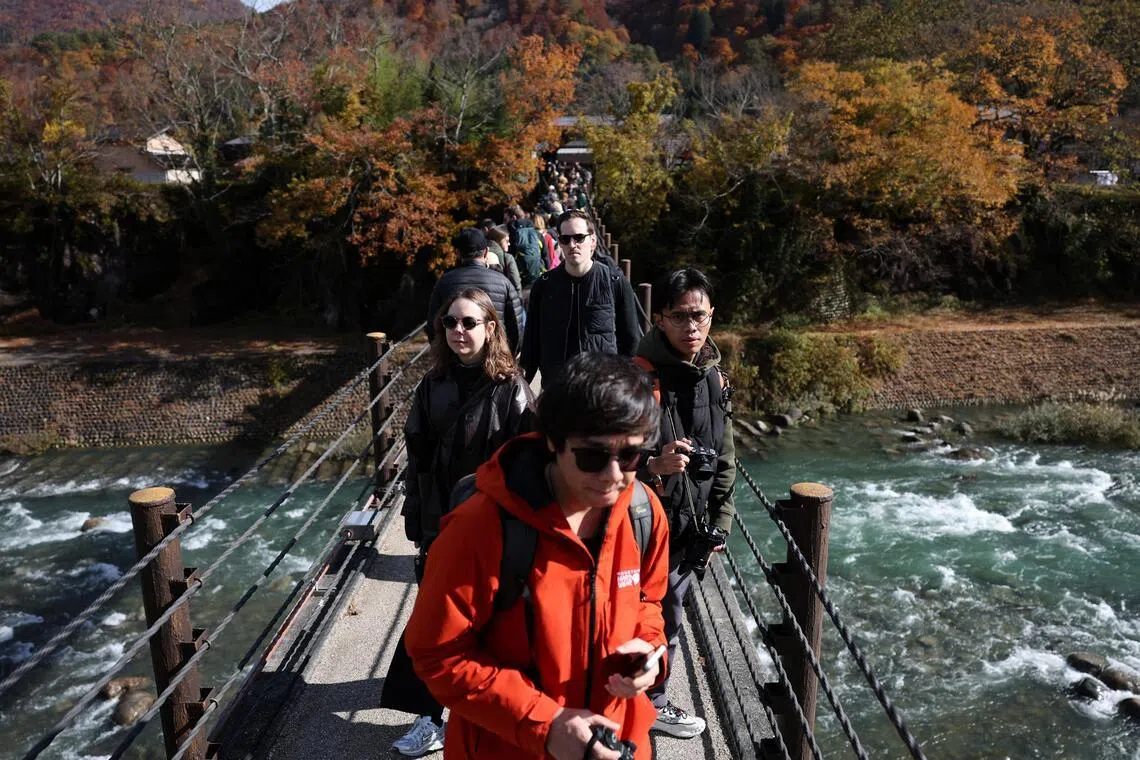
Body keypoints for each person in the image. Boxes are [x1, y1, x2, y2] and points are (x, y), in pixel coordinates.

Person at [405, 352, 670, 760]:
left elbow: (648, 601)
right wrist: (544, 725)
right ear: (553, 441)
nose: (614, 475)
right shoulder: (480, 527)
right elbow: (436, 652)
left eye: (630, 456)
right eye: (593, 456)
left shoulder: (643, 511)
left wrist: (650, 655)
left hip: (617, 741)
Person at [383, 287, 536, 757]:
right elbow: (418, 462)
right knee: (437, 620)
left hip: (495, 524)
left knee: (490, 622)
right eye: (450, 322)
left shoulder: (512, 390)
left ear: (491, 328)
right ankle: (429, 719)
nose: (458, 331)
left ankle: (487, 716)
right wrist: (418, 522)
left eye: (469, 322)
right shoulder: (433, 385)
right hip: (442, 521)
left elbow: (530, 462)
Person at [634, 268, 736, 739]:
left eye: (700, 316)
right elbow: (601, 454)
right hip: (639, 525)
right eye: (680, 316)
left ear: (712, 316)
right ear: (660, 318)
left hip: (688, 530)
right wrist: (651, 465)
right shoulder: (637, 377)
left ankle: (652, 705)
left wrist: (721, 522)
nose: (692, 326)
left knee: (669, 618)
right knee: (632, 616)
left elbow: (726, 457)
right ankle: (622, 706)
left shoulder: (714, 377)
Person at [520, 210, 641, 384]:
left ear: (593, 241)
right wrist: (521, 387)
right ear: (560, 243)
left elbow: (631, 341)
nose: (572, 244)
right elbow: (531, 344)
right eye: (565, 239)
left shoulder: (615, 283)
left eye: (579, 238)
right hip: (558, 389)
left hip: (602, 389)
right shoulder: (544, 286)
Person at [426, 228, 524, 353]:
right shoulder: (503, 282)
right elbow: (516, 325)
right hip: (495, 352)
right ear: (486, 252)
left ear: (458, 253)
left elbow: (432, 325)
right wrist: (510, 353)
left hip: (456, 353)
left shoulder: (444, 282)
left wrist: (442, 354)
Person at [505, 205, 545, 290]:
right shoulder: (537, 234)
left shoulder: (510, 236)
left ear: (514, 217)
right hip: (538, 276)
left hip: (521, 280)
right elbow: (546, 256)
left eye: (506, 219)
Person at [485, 225, 523, 294]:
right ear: (499, 240)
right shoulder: (507, 257)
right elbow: (516, 282)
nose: (509, 244)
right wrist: (519, 297)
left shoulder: (481, 255)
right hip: (503, 295)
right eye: (507, 241)